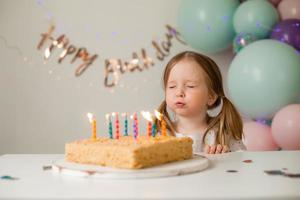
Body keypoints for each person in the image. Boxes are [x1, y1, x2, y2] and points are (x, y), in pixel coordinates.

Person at [155, 51, 246, 154]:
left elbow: (242, 163)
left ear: (211, 96)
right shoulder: (162, 136)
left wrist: (225, 157)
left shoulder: (222, 136)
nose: (179, 92)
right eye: (172, 86)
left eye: (190, 86)